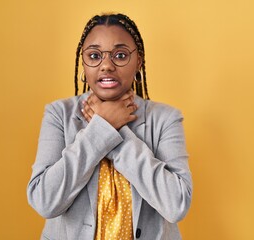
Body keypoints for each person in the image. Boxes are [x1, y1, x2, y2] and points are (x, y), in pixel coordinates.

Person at [27, 13, 192, 240]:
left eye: (120, 55)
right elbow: (45, 201)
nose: (106, 66)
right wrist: (99, 130)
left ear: (138, 62)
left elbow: (176, 204)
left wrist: (113, 129)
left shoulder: (165, 119)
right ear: (83, 64)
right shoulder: (58, 114)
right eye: (94, 56)